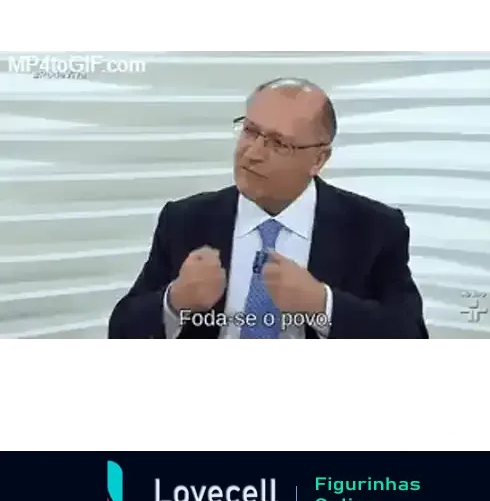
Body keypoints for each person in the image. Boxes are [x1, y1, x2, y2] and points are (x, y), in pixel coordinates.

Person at [108, 77, 429, 339]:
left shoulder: (374, 228)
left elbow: (409, 332)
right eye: (250, 131)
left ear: (318, 159)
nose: (252, 154)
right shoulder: (186, 221)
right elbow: (122, 328)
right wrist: (175, 300)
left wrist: (322, 304)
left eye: (278, 143)